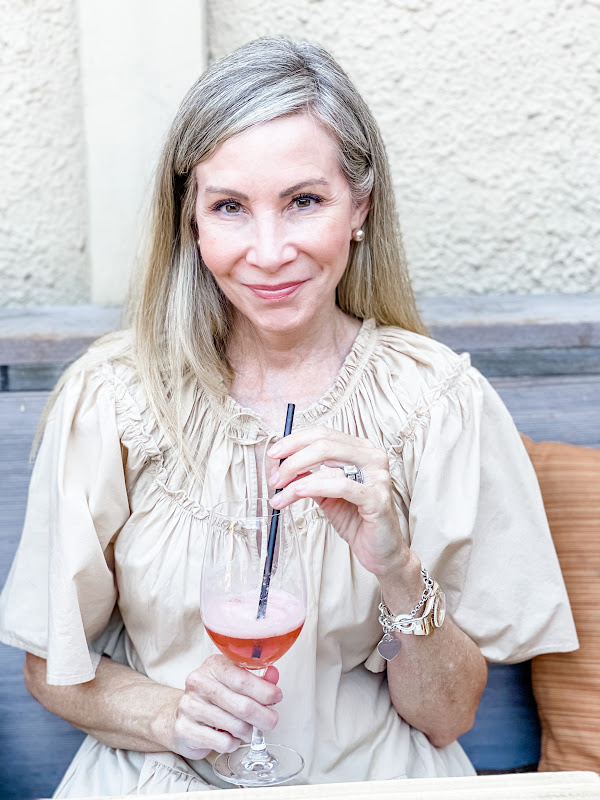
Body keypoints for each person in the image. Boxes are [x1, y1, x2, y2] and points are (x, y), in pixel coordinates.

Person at [0, 37, 577, 796]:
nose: (269, 252)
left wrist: (398, 569)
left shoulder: (440, 403)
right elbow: (54, 668)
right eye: (230, 207)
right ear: (192, 222)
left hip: (375, 783)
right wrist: (169, 714)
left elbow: (447, 717)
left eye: (304, 201)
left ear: (359, 208)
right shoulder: (113, 398)